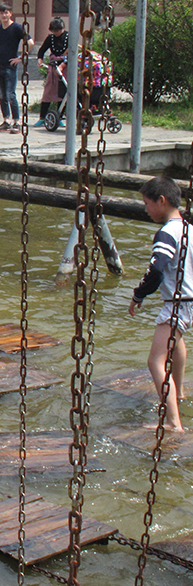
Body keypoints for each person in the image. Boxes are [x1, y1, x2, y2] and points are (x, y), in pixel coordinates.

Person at [129, 176, 192, 433]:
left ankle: (173, 422)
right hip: (191, 300)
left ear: (162, 200)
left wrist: (138, 295)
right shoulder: (188, 227)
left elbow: (156, 270)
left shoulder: (167, 233)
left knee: (155, 360)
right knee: (177, 344)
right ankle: (180, 392)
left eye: (147, 203)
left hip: (178, 302)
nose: (145, 209)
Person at [0, 2, 33, 133]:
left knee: (11, 94)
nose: (4, 15)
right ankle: (6, 120)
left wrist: (21, 57)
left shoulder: (17, 28)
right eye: (1, 13)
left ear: (10, 13)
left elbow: (30, 42)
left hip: (10, 65)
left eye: (6, 12)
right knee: (2, 95)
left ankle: (16, 122)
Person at [36, 17, 69, 126]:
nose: (55, 33)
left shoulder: (69, 37)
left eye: (57, 30)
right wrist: (40, 59)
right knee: (49, 90)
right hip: (53, 66)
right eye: (53, 31)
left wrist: (63, 65)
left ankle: (59, 117)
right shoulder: (50, 38)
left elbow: (72, 54)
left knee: (62, 91)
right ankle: (42, 116)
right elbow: (41, 50)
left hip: (65, 66)